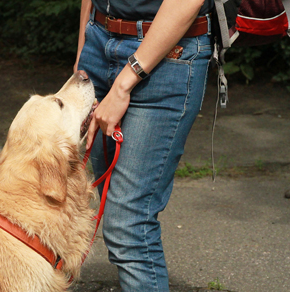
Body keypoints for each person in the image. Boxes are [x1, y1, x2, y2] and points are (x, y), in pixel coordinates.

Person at [75, 0, 213, 291]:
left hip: (167, 55)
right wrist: (82, 55)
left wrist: (124, 83)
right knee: (113, 208)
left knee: (128, 224)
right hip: (99, 42)